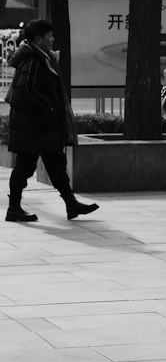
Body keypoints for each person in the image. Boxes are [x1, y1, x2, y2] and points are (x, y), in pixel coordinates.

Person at [6, 19, 99, 224]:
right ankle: (13, 208)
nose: (52, 39)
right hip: (34, 128)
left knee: (56, 164)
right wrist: (47, 106)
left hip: (41, 128)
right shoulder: (33, 60)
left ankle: (71, 204)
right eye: (49, 36)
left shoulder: (40, 57)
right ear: (38, 39)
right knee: (24, 168)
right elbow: (25, 90)